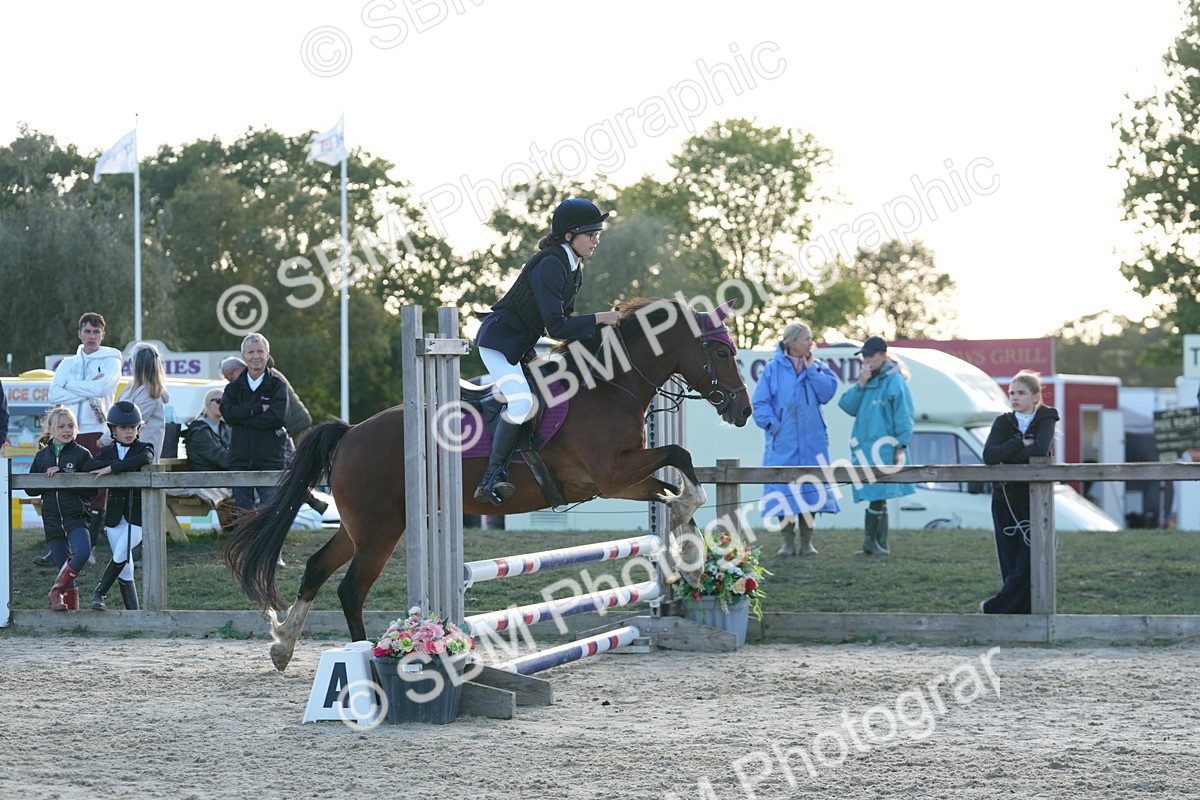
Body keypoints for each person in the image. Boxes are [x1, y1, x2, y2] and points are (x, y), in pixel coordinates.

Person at [471, 197, 620, 505]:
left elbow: (567, 322)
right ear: (569, 235)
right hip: (499, 344)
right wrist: (601, 318)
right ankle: (491, 478)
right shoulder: (551, 264)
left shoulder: (573, 266)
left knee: (552, 389)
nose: (596, 240)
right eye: (590, 234)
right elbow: (559, 327)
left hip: (520, 345)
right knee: (522, 402)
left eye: (598, 233)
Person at [39, 312, 122, 567]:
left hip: (97, 431)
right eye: (87, 331)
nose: (91, 337)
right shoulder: (67, 363)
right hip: (67, 431)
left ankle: (91, 547)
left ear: (103, 334)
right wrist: (84, 384)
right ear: (79, 333)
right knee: (61, 487)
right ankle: (59, 547)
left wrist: (71, 386)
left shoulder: (111, 359)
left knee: (95, 489)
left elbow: (101, 389)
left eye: (96, 332)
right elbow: (54, 392)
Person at [752, 322, 841, 556]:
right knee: (783, 491)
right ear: (792, 342)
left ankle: (807, 543)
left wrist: (812, 369)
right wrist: (773, 424)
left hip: (813, 442)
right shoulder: (772, 370)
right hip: (783, 441)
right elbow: (760, 403)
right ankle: (787, 542)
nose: (811, 343)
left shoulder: (818, 367)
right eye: (807, 339)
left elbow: (827, 393)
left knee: (811, 490)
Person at [979, 370, 1060, 614]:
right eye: (1012, 392)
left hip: (1035, 500)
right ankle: (1017, 615)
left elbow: (1040, 449)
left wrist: (1008, 452)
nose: (1014, 397)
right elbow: (989, 456)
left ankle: (994, 608)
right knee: (1010, 559)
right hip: (1004, 498)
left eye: (1021, 392)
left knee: (1033, 557)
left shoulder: (1047, 416)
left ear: (1036, 396)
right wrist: (1018, 444)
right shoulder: (1003, 421)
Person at [837, 336, 915, 555]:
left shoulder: (895, 381)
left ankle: (872, 543)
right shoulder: (868, 379)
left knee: (879, 494)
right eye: (864, 356)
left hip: (885, 449)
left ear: (883, 355)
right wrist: (860, 384)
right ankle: (879, 544)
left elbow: (905, 416)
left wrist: (901, 446)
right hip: (864, 448)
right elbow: (847, 406)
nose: (866, 360)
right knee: (877, 495)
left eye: (870, 355)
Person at [85, 401, 155, 611]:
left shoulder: (144, 447)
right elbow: (89, 465)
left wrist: (112, 469)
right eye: (123, 428)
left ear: (139, 429)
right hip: (115, 516)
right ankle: (134, 614)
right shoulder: (107, 451)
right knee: (126, 567)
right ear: (113, 430)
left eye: (133, 427)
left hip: (138, 515)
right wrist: (110, 465)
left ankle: (99, 593)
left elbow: (145, 458)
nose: (129, 431)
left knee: (121, 552)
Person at [26, 406, 94, 610]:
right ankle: (72, 616)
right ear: (50, 429)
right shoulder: (41, 456)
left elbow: (92, 491)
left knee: (82, 552)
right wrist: (45, 477)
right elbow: (30, 490)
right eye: (61, 426)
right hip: (52, 520)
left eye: (71, 425)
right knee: (63, 564)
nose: (67, 430)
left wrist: (65, 474)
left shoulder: (83, 454)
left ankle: (55, 590)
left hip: (76, 517)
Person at [220, 332, 289, 513]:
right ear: (243, 356)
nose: (256, 356)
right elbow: (227, 414)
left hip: (270, 460)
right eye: (251, 352)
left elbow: (278, 417)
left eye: (260, 351)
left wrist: (242, 419)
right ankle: (247, 543)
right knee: (244, 515)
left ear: (268, 354)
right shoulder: (233, 388)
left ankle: (271, 543)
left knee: (271, 514)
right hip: (240, 460)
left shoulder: (277, 385)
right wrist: (257, 408)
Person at [114, 342, 170, 462]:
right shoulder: (132, 388)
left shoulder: (149, 394)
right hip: (127, 456)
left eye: (131, 361)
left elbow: (129, 421)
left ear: (137, 365)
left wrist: (103, 440)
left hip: (140, 460)